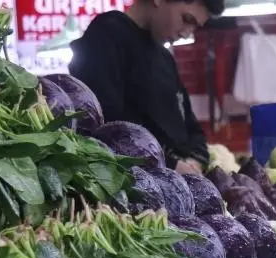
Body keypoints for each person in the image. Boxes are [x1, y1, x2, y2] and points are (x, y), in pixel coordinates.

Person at [69, 0, 224, 175]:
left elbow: (190, 124)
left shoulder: (165, 59)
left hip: (175, 181)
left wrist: (196, 160)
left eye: (195, 26)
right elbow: (107, 123)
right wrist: (171, 165)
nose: (186, 33)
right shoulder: (106, 34)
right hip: (134, 183)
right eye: (187, 19)